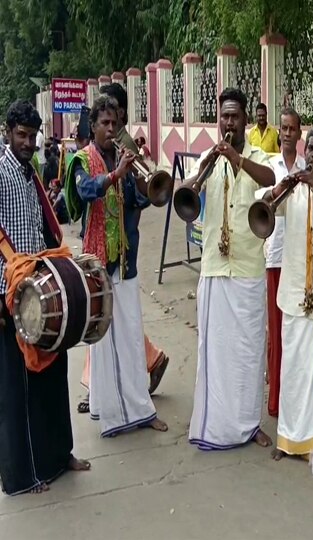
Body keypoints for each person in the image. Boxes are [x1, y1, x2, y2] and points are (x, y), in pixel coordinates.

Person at [0, 100, 90, 495]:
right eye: (21, 135)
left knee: (54, 375)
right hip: (12, 295)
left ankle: (59, 455)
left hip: (42, 290)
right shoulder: (1, 172)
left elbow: (41, 228)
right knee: (19, 387)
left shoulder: (29, 170)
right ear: (7, 132)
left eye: (32, 136)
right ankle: (24, 474)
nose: (28, 142)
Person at [65, 95, 168, 437]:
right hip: (96, 262)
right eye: (104, 124)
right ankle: (108, 410)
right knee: (102, 340)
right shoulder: (82, 160)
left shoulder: (125, 159)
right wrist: (116, 173)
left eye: (115, 124)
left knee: (130, 335)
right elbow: (86, 192)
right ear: (93, 127)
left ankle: (140, 408)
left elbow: (141, 200)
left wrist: (146, 183)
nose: (111, 130)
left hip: (125, 260)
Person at [188, 87, 276, 451]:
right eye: (223, 116)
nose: (228, 123)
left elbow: (269, 180)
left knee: (250, 349)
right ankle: (215, 423)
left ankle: (249, 422)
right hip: (214, 267)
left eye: (234, 117)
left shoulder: (256, 155)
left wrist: (236, 159)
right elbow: (187, 193)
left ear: (244, 121)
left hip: (249, 268)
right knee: (215, 348)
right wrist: (207, 166)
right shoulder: (210, 158)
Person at [266, 126, 313, 461]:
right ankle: (288, 438)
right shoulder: (292, 189)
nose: (312, 155)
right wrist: (283, 186)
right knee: (294, 366)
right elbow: (265, 206)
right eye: (309, 149)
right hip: (294, 290)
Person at [265, 107, 304, 418]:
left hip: (300, 257)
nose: (289, 133)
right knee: (277, 331)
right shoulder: (269, 165)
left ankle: (296, 396)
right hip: (276, 254)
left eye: (293, 128)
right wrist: (278, 189)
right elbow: (261, 202)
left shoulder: (307, 166)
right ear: (280, 132)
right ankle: (276, 400)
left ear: (300, 133)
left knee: (296, 332)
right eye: (285, 128)